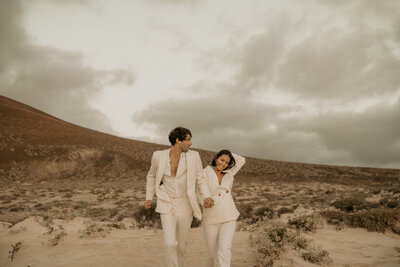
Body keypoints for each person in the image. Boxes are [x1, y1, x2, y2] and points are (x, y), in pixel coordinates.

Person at [144, 126, 215, 267]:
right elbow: (151, 175)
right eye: (188, 140)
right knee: (170, 243)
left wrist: (206, 196)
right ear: (178, 140)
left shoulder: (194, 156)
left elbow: (200, 179)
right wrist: (149, 197)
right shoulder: (158, 156)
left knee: (181, 247)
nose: (191, 143)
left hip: (185, 203)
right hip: (166, 202)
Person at [202, 150, 245, 267]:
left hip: (228, 215)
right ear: (216, 158)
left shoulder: (230, 172)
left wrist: (228, 152)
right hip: (211, 216)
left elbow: (242, 160)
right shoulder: (204, 172)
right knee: (211, 254)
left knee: (224, 249)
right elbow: (199, 191)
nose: (224, 164)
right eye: (222, 160)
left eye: (227, 162)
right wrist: (204, 201)